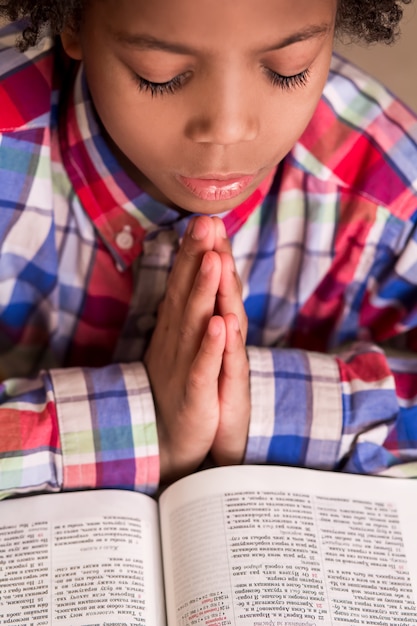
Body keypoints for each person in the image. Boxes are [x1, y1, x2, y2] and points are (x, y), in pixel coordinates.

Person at [0, 0, 416, 501]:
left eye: (289, 70)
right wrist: (141, 427)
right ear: (74, 21)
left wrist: (268, 407)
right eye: (161, 76)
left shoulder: (388, 193)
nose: (227, 128)